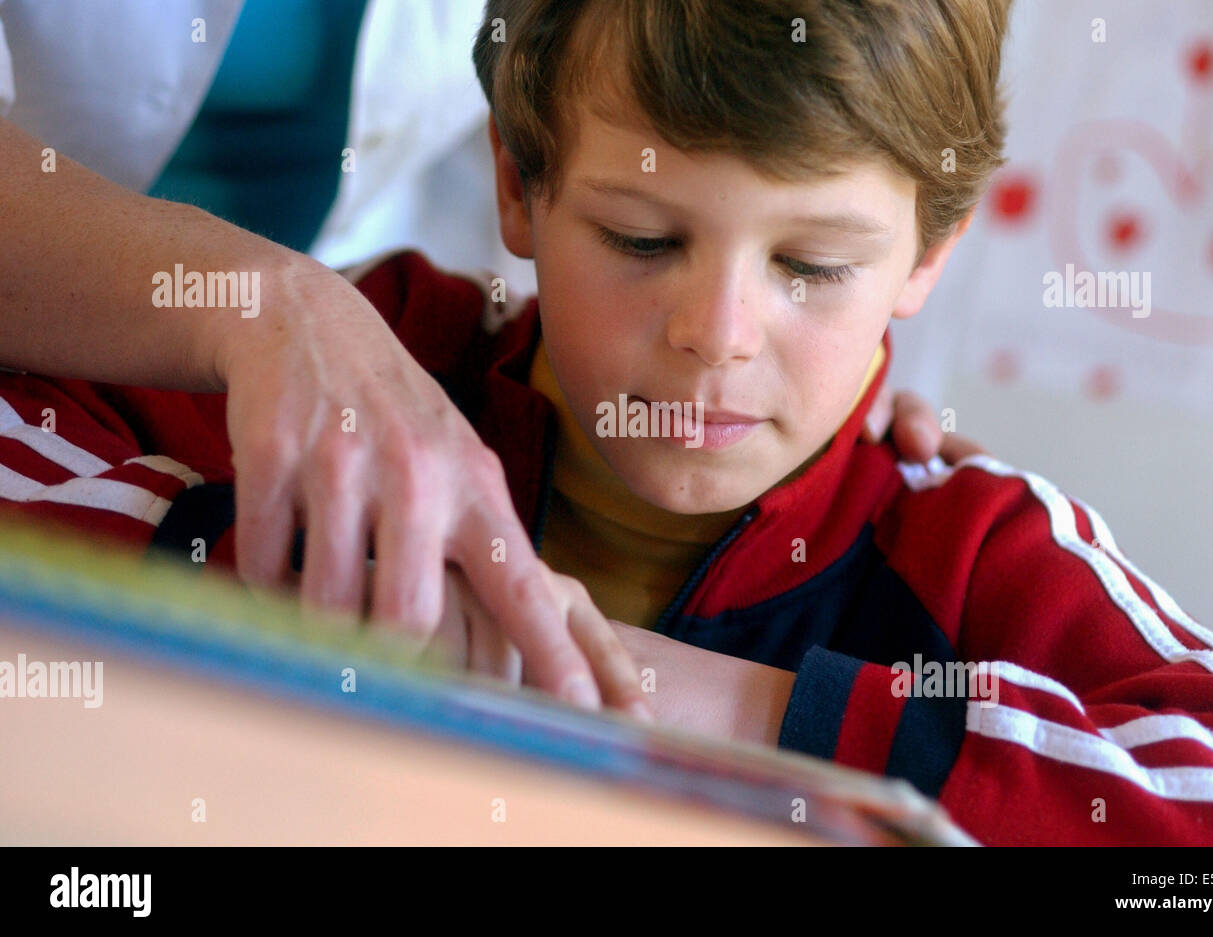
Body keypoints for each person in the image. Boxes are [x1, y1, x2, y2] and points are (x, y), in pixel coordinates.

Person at [0, 0, 956, 714]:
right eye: (641, 240)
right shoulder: (398, 337)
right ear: (518, 187)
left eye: (815, 264)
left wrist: (691, 694)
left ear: (924, 259)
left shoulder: (970, 548)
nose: (720, 333)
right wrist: (294, 567)